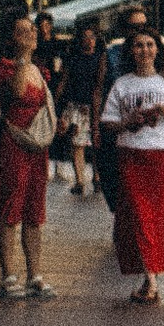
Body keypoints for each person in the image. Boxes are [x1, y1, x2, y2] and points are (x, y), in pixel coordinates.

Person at [100, 22, 164, 303]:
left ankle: (149, 278)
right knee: (138, 216)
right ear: (131, 51)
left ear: (158, 49)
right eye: (139, 45)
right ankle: (150, 278)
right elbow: (108, 122)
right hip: (132, 154)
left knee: (159, 219)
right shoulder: (122, 83)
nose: (145, 50)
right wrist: (127, 122)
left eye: (150, 45)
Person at [0, 10, 57, 295]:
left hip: (37, 145)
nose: (31, 35)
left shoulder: (42, 69)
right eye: (23, 31)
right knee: (12, 204)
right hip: (14, 142)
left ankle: (34, 274)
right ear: (11, 38)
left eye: (32, 30)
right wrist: (23, 57)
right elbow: (18, 93)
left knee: (35, 209)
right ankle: (8, 275)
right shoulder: (8, 67)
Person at [58, 24, 107, 198]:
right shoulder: (72, 57)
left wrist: (98, 108)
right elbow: (64, 80)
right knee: (77, 143)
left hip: (93, 104)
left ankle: (97, 177)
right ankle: (80, 181)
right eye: (85, 37)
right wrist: (58, 104)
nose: (89, 41)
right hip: (75, 104)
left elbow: (100, 85)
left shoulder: (100, 57)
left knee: (95, 143)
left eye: (92, 37)